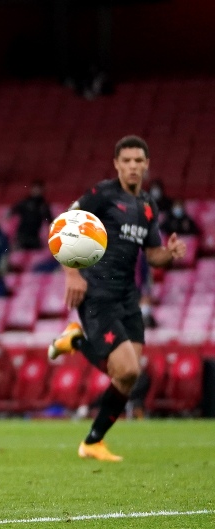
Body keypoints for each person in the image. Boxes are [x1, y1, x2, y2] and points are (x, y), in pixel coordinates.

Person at [48, 136, 186, 461]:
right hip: (96, 293)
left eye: (139, 160)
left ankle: (93, 442)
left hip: (128, 297)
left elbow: (153, 256)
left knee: (129, 376)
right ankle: (78, 341)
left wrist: (170, 254)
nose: (133, 166)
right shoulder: (102, 194)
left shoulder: (148, 206)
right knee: (126, 371)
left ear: (147, 164)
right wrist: (71, 273)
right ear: (117, 164)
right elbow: (64, 225)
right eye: (127, 161)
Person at [10, 181, 53, 250]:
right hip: (22, 236)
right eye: (35, 189)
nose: (37, 191)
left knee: (37, 257)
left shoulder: (44, 206)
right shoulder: (25, 202)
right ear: (32, 189)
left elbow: (50, 221)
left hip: (34, 237)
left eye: (39, 189)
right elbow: (11, 212)